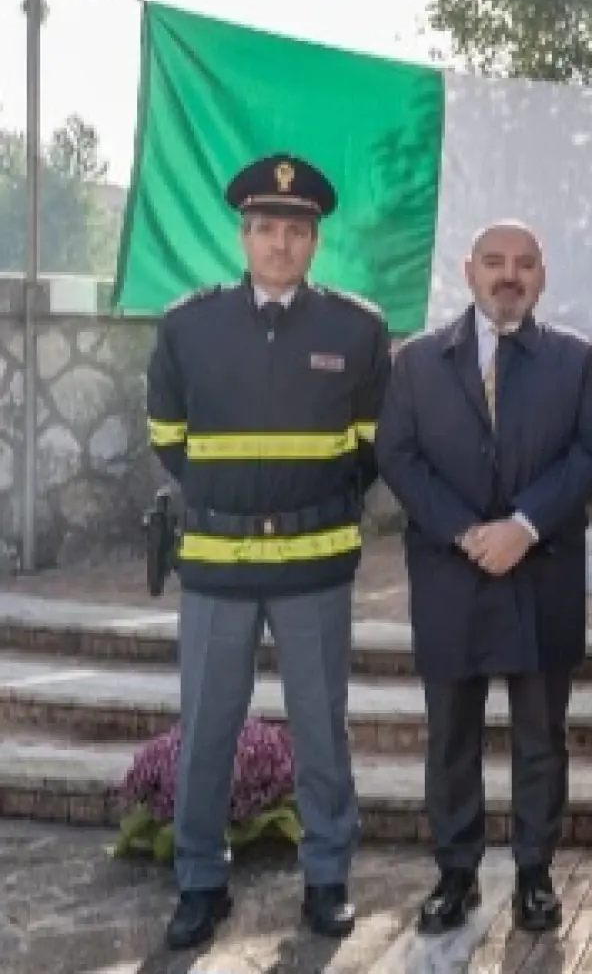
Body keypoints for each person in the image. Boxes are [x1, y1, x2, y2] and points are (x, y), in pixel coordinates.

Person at [143, 152, 391, 949]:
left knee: (322, 727)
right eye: (267, 229)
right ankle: (200, 883)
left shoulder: (358, 329)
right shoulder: (188, 326)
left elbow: (369, 448)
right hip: (216, 562)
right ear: (243, 236)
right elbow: (169, 440)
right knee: (207, 727)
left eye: (297, 230)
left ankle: (327, 881)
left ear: (315, 241)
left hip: (315, 563)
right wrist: (234, 500)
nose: (281, 243)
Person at [373, 220, 592, 936]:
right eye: (495, 263)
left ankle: (535, 875)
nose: (509, 275)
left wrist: (524, 526)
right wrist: (466, 531)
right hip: (452, 576)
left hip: (540, 575)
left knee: (542, 737)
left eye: (525, 264)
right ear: (469, 270)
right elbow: (398, 454)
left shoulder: (574, 361)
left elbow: (589, 452)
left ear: (541, 276)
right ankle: (456, 874)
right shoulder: (417, 362)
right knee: (452, 738)